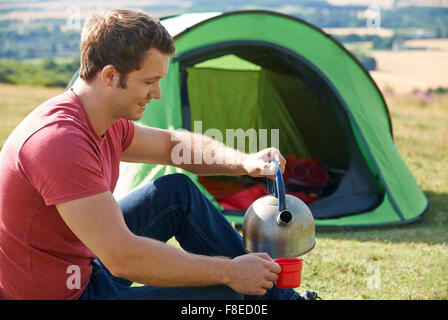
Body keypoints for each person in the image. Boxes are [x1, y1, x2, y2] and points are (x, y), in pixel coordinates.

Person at [0, 9, 316, 300]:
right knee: (229, 293)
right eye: (149, 81)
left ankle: (278, 297)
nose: (157, 93)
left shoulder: (98, 120)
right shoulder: (59, 142)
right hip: (68, 294)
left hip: (86, 267)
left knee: (177, 192)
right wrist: (230, 272)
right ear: (109, 76)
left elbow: (171, 146)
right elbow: (123, 258)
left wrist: (245, 162)